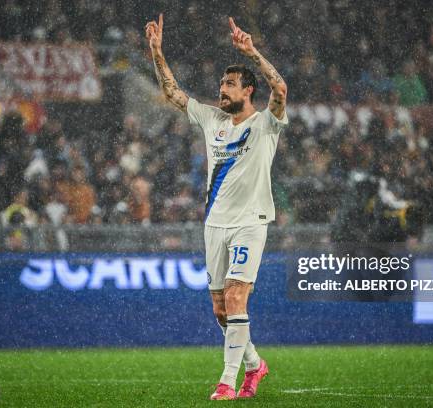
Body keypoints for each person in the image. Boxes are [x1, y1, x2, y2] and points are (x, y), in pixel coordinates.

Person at [145, 14, 288, 400]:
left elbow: (281, 87)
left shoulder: (265, 124)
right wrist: (157, 52)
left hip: (250, 223)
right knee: (221, 311)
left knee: (237, 297)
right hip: (215, 224)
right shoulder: (212, 119)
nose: (221, 90)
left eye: (229, 84)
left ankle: (227, 381)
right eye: (221, 83)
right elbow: (173, 93)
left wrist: (252, 51)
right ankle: (256, 365)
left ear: (248, 90)